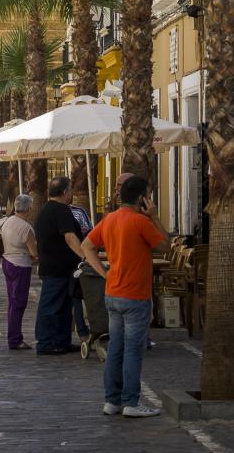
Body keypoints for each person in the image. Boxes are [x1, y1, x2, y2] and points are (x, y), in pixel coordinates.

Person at [82, 175, 169, 418]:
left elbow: (86, 245)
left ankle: (112, 401)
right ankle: (131, 402)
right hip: (135, 296)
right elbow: (166, 246)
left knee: (115, 349)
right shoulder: (141, 222)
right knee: (133, 351)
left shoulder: (109, 219)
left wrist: (103, 273)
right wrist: (154, 216)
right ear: (143, 198)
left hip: (113, 292)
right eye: (149, 195)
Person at [33, 175, 83, 354]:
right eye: (70, 190)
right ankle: (45, 342)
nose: (72, 193)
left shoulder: (45, 209)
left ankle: (62, 341)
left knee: (63, 306)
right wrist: (85, 256)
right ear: (64, 192)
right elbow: (70, 237)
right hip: (57, 268)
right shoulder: (60, 210)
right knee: (51, 305)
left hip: (56, 266)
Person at [0, 193, 38, 350]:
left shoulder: (8, 221)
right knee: (19, 303)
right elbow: (34, 253)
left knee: (12, 302)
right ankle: (15, 338)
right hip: (20, 265)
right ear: (29, 208)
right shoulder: (25, 227)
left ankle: (13, 335)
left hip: (7, 261)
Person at [69, 201, 92, 343]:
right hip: (78, 261)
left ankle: (82, 333)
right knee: (77, 297)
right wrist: (85, 256)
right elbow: (89, 233)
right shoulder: (78, 212)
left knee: (75, 298)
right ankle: (84, 333)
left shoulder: (48, 210)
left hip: (66, 262)